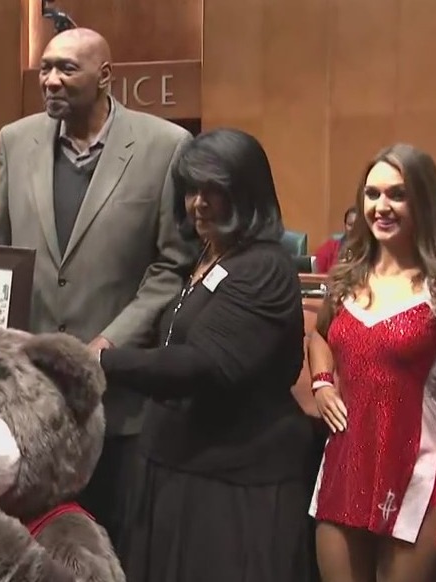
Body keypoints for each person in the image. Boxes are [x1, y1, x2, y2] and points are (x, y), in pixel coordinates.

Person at [0, 27, 193, 549]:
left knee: (113, 546)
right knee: (38, 547)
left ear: (104, 76)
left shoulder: (165, 146)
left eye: (66, 68)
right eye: (45, 68)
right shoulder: (15, 140)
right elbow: (3, 252)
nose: (51, 80)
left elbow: (172, 264)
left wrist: (109, 343)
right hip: (33, 395)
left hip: (118, 400)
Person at [95, 128, 313, 580]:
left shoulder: (264, 268)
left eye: (214, 190)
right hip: (181, 470)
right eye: (191, 189)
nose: (198, 203)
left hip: (234, 489)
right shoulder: (209, 257)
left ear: (247, 192)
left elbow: (204, 363)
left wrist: (100, 361)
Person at [308, 143, 436, 582]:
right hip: (347, 458)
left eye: (398, 194)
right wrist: (322, 382)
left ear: (423, 201)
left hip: (417, 465)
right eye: (372, 194)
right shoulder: (348, 274)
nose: (381, 206)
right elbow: (321, 336)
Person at [313, 207, 358, 273]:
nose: (353, 229)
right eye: (350, 225)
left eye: (357, 226)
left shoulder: (370, 251)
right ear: (345, 225)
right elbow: (315, 272)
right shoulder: (330, 247)